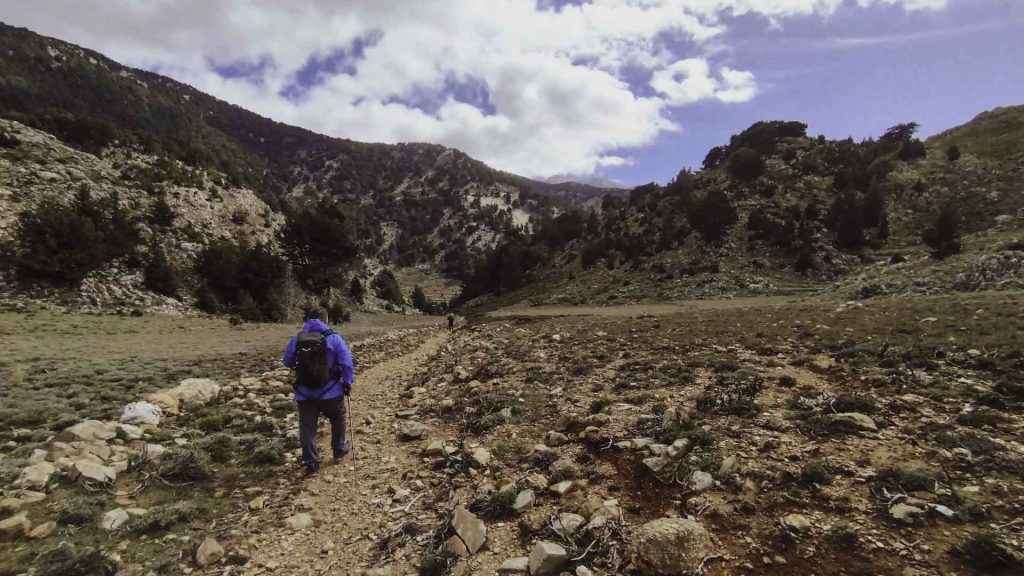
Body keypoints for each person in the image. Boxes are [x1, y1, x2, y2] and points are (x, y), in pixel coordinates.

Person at [282, 309, 354, 476]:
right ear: (325, 319)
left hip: (304, 393)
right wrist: (348, 382)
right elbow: (346, 364)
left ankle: (312, 463)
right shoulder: (335, 338)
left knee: (307, 427)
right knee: (338, 417)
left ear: (308, 320)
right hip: (331, 391)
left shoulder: (297, 339)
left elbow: (287, 361)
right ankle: (339, 450)